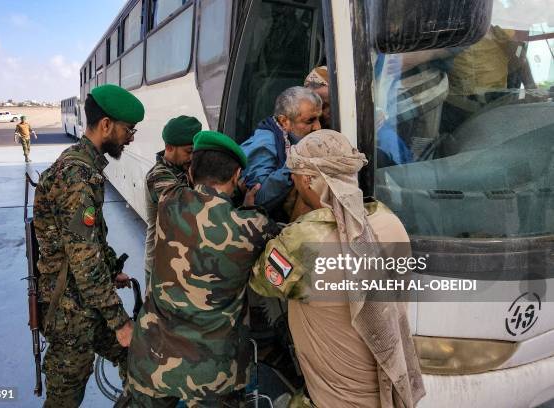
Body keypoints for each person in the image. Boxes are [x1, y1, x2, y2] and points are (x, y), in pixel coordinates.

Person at [250, 129, 425, 407]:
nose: (292, 182)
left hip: (334, 400)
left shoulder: (304, 241)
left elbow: (261, 280)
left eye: (294, 176)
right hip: (389, 389)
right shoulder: (390, 220)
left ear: (307, 180)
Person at [126, 130, 279, 407]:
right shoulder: (251, 228)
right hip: (212, 376)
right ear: (236, 176)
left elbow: (170, 182)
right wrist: (248, 208)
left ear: (192, 172)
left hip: (152, 360)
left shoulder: (169, 203)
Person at [33, 84, 145, 408]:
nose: (132, 137)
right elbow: (83, 260)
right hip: (71, 312)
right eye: (128, 129)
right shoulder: (77, 175)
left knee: (135, 359)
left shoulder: (84, 165)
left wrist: (112, 271)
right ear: (106, 125)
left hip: (85, 300)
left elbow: (89, 239)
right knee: (64, 400)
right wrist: (120, 321)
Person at [241, 86, 322, 221]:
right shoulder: (264, 144)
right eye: (310, 121)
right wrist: (295, 163)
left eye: (319, 119)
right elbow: (258, 199)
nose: (318, 127)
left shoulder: (292, 138)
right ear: (284, 121)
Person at [144, 115, 201, 285]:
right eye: (189, 152)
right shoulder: (159, 176)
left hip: (181, 264)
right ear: (169, 148)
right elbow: (188, 210)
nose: (192, 158)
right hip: (161, 268)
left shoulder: (183, 169)